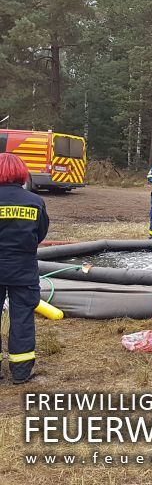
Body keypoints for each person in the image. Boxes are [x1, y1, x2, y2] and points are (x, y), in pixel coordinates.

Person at [0, 153, 50, 384]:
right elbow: (40, 233)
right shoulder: (34, 201)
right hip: (23, 270)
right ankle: (21, 372)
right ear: (22, 173)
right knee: (22, 319)